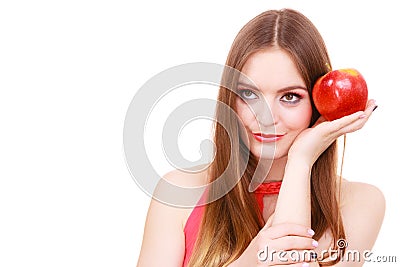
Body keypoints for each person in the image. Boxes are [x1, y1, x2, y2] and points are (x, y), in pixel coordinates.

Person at [136, 8, 384, 267]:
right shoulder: (180, 193)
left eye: (290, 97)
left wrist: (300, 161)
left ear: (318, 102)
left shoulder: (360, 202)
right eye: (249, 94)